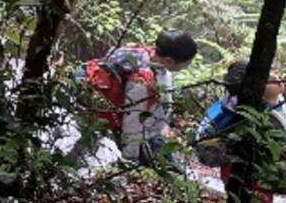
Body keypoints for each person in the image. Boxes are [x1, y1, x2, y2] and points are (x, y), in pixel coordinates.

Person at [76, 29, 199, 165]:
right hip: (100, 112)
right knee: (85, 148)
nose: (187, 66)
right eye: (186, 64)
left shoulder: (151, 57)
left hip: (143, 125)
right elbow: (132, 121)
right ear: (169, 60)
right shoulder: (141, 82)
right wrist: (130, 158)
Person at [195, 61, 286, 202]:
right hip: (251, 170)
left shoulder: (268, 102)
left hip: (243, 167)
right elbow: (278, 147)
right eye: (270, 79)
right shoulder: (253, 114)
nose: (278, 80)